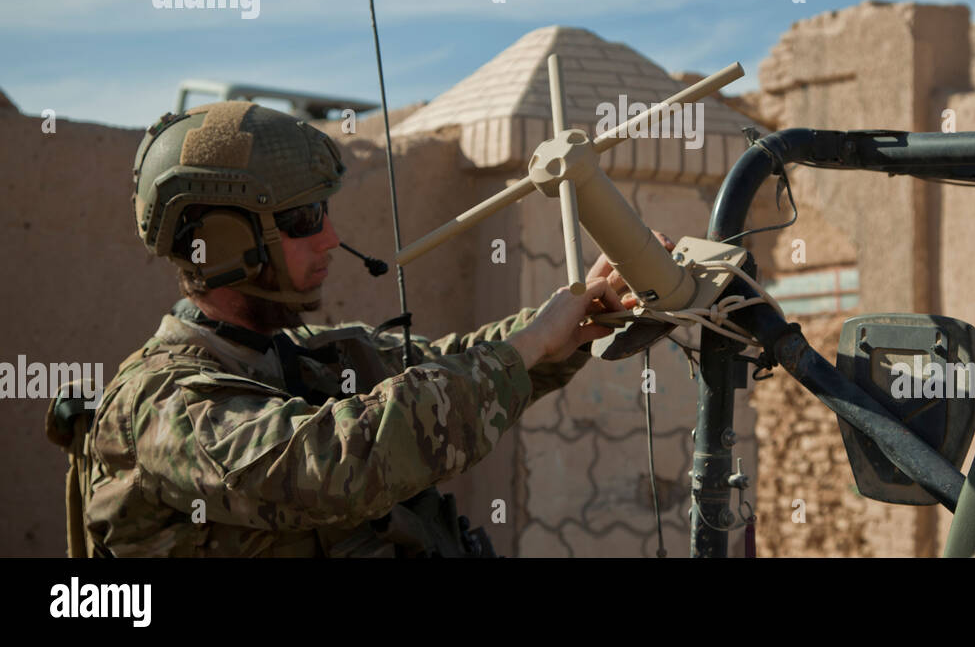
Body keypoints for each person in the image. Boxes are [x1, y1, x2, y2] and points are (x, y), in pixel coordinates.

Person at [49, 101, 650, 556]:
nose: (331, 238)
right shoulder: (158, 406)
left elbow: (449, 364)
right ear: (228, 240)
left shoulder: (305, 357)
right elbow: (334, 464)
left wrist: (579, 316)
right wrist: (529, 347)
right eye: (304, 218)